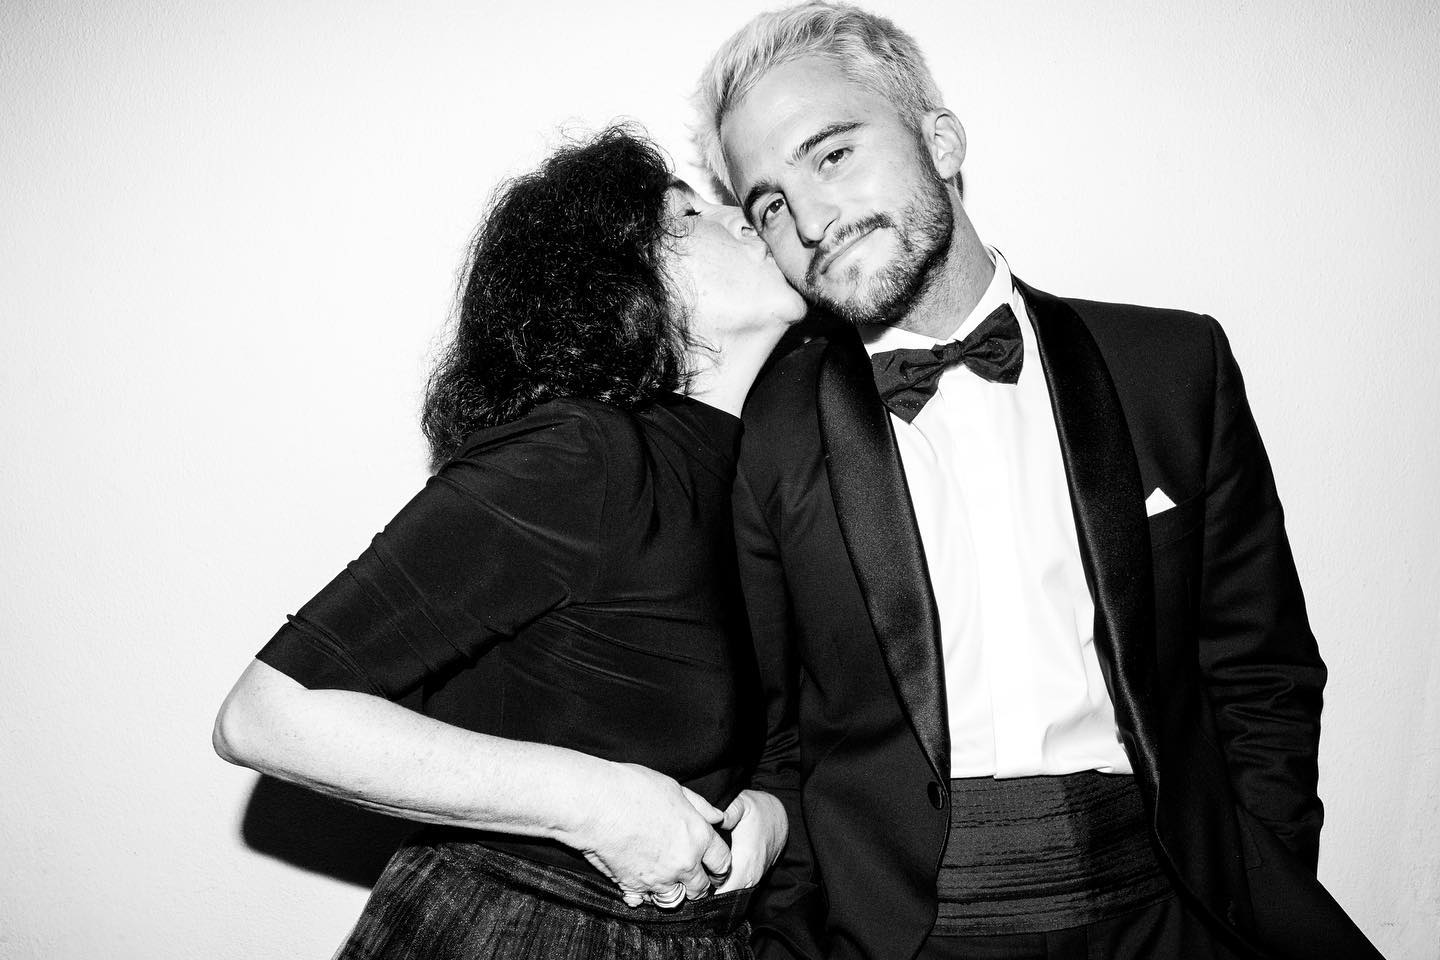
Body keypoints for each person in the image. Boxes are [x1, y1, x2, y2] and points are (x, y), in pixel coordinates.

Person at [691, 5, 1384, 960]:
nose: (810, 221)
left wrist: (1257, 885)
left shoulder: (1171, 366)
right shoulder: (771, 433)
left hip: (1171, 910)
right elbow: (776, 738)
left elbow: (1261, 674)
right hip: (908, 933)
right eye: (770, 204)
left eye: (834, 155)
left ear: (941, 141)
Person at [213, 126, 808, 959]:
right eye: (686, 214)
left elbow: (777, 727)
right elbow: (268, 714)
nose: (745, 217)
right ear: (620, 287)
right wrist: (592, 804)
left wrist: (771, 814)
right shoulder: (586, 456)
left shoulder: (761, 478)